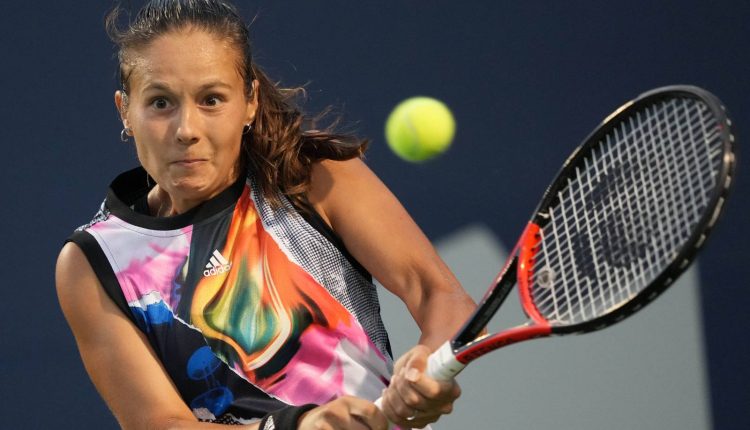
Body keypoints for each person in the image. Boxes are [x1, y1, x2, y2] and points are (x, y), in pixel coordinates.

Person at [55, 1, 477, 429]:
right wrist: (297, 426)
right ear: (125, 111)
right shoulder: (95, 261)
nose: (186, 130)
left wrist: (427, 366)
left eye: (211, 100)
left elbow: (438, 293)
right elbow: (160, 424)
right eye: (161, 102)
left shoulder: (311, 176)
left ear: (250, 102)